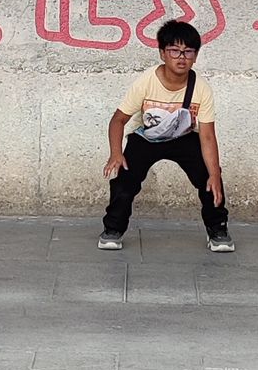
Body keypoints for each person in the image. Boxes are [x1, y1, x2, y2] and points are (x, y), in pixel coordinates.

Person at [98, 20, 234, 252]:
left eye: (188, 52)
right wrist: (116, 153)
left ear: (195, 56)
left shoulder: (201, 88)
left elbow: (208, 136)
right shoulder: (146, 81)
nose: (181, 57)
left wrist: (213, 173)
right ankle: (113, 229)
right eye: (174, 50)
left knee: (210, 177)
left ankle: (218, 229)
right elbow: (118, 120)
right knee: (124, 178)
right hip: (147, 139)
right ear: (162, 53)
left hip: (184, 138)